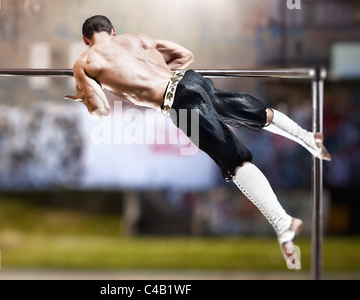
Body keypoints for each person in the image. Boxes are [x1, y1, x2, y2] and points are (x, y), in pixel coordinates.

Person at [65, 15, 331, 269]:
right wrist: (155, 74)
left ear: (85, 39)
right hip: (191, 81)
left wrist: (85, 95)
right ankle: (306, 137)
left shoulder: (86, 61)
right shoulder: (137, 38)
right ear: (113, 31)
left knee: (233, 162)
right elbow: (186, 55)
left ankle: (282, 222)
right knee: (253, 115)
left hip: (179, 102)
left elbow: (101, 110)